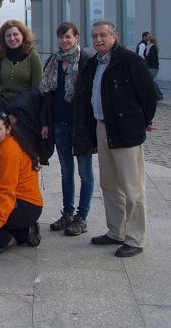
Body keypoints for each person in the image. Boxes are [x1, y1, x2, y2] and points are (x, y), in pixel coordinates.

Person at [73, 21, 156, 258]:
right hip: (102, 127)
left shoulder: (129, 61)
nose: (98, 39)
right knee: (109, 183)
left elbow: (148, 96)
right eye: (95, 36)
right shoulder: (92, 64)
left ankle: (135, 238)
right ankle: (116, 231)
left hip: (126, 129)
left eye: (103, 35)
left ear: (114, 36)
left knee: (132, 187)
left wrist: (142, 121)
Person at [39, 22, 94, 236]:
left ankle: (82, 217)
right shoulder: (53, 61)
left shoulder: (86, 61)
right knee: (66, 172)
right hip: (59, 125)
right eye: (61, 37)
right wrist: (45, 123)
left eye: (68, 37)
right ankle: (68, 214)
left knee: (85, 173)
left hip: (80, 126)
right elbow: (46, 96)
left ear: (76, 37)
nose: (64, 40)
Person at [0, 111, 43, 254]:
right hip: (26, 204)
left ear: (8, 129)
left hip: (24, 205)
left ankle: (3, 239)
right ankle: (25, 233)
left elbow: (6, 190)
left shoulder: (9, 153)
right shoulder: (6, 141)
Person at [0, 19, 43, 112]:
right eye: (8, 35)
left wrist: (17, 114)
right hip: (2, 110)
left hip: (25, 112)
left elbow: (37, 89)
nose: (12, 38)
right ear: (3, 38)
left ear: (23, 35)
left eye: (15, 34)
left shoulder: (33, 56)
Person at [145, 34, 163, 100]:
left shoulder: (152, 48)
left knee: (151, 82)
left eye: (147, 39)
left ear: (150, 40)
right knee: (152, 82)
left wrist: (146, 64)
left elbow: (151, 58)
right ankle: (157, 96)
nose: (146, 41)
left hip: (152, 68)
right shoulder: (150, 47)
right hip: (152, 67)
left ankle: (159, 96)